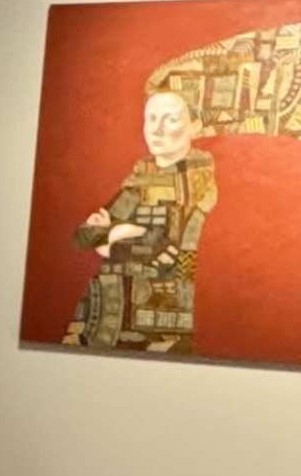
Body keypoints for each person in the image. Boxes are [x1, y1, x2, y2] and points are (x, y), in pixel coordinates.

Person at [66, 86, 216, 352]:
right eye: (151, 119)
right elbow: (83, 237)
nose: (157, 129)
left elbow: (161, 246)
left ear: (195, 126)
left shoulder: (198, 183)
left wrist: (112, 234)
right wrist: (122, 231)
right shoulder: (140, 178)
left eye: (170, 119)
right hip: (105, 311)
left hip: (160, 319)